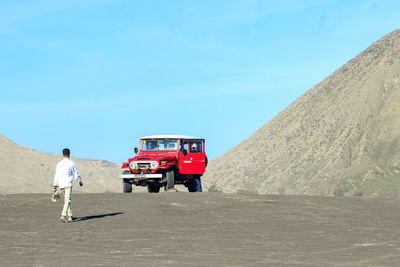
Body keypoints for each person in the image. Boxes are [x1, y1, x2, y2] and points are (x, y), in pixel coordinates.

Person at [53, 148, 83, 223]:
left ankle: (70, 216)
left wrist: (55, 186)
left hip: (61, 185)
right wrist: (80, 181)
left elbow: (56, 175)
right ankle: (63, 215)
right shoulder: (71, 163)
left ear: (63, 155)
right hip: (68, 184)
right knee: (67, 201)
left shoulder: (59, 164)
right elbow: (76, 173)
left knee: (66, 201)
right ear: (69, 155)